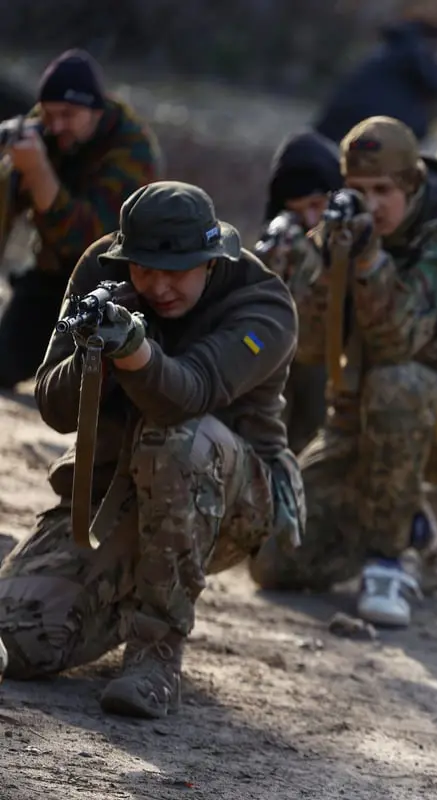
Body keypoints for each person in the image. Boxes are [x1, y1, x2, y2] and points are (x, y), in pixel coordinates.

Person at [0, 181, 303, 718]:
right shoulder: (102, 271)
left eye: (176, 271)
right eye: (144, 269)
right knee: (20, 641)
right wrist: (92, 352)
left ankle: (156, 654)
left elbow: (187, 395)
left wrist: (134, 351)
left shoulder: (262, 304)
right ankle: (121, 592)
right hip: (114, 495)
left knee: (178, 437)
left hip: (231, 499)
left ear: (210, 262)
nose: (159, 286)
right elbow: (53, 406)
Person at [250, 117, 437, 628]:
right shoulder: (344, 234)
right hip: (359, 418)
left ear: (413, 185)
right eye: (358, 190)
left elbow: (398, 340)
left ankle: (389, 558)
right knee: (276, 564)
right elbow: (312, 348)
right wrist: (305, 270)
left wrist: (367, 261)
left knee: (394, 381)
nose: (372, 204)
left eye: (383, 190)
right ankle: (412, 524)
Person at [0, 48, 160, 390]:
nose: (56, 126)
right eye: (49, 115)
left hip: (108, 291)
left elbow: (89, 243)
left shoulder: (132, 149)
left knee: (85, 391)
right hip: (47, 281)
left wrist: (39, 172)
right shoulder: (44, 128)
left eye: (68, 115)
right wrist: (13, 172)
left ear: (95, 110)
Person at [256, 130, 344, 454]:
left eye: (317, 205)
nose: (310, 219)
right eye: (297, 210)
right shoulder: (284, 240)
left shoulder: (362, 239)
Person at [313, 15, 437, 145]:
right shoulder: (417, 56)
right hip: (370, 133)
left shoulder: (394, 48)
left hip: (342, 126)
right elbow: (436, 84)